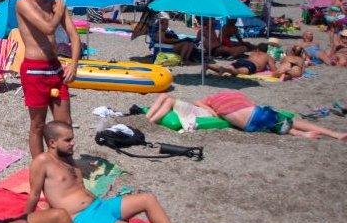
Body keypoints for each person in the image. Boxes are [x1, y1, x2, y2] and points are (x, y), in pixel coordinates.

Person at [29, 121, 210, 223]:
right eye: (68, 140)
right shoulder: (42, 162)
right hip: (82, 218)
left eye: (72, 138)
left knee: (148, 198)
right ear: (52, 143)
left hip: (99, 205)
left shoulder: (67, 156)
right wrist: (25, 222)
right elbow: (34, 195)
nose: (73, 143)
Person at [13, 0, 82, 157]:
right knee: (38, 124)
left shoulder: (55, 3)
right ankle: (40, 167)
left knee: (65, 124)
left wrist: (74, 64)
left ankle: (61, 164)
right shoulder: (23, 3)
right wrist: (59, 12)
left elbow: (74, 37)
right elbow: (48, 28)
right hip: (34, 70)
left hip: (55, 69)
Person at [145, 90, 347, 141]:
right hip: (254, 115)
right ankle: (334, 134)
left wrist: (214, 111)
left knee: (279, 124)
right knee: (293, 121)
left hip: (248, 125)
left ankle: (302, 135)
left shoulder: (214, 101)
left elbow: (200, 104)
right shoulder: (237, 97)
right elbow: (253, 106)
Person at [206, 43, 275, 76]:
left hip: (242, 60)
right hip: (252, 65)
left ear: (257, 49)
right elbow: (274, 69)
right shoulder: (267, 56)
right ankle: (226, 70)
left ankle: (209, 66)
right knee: (238, 71)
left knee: (227, 68)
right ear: (266, 51)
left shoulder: (253, 53)